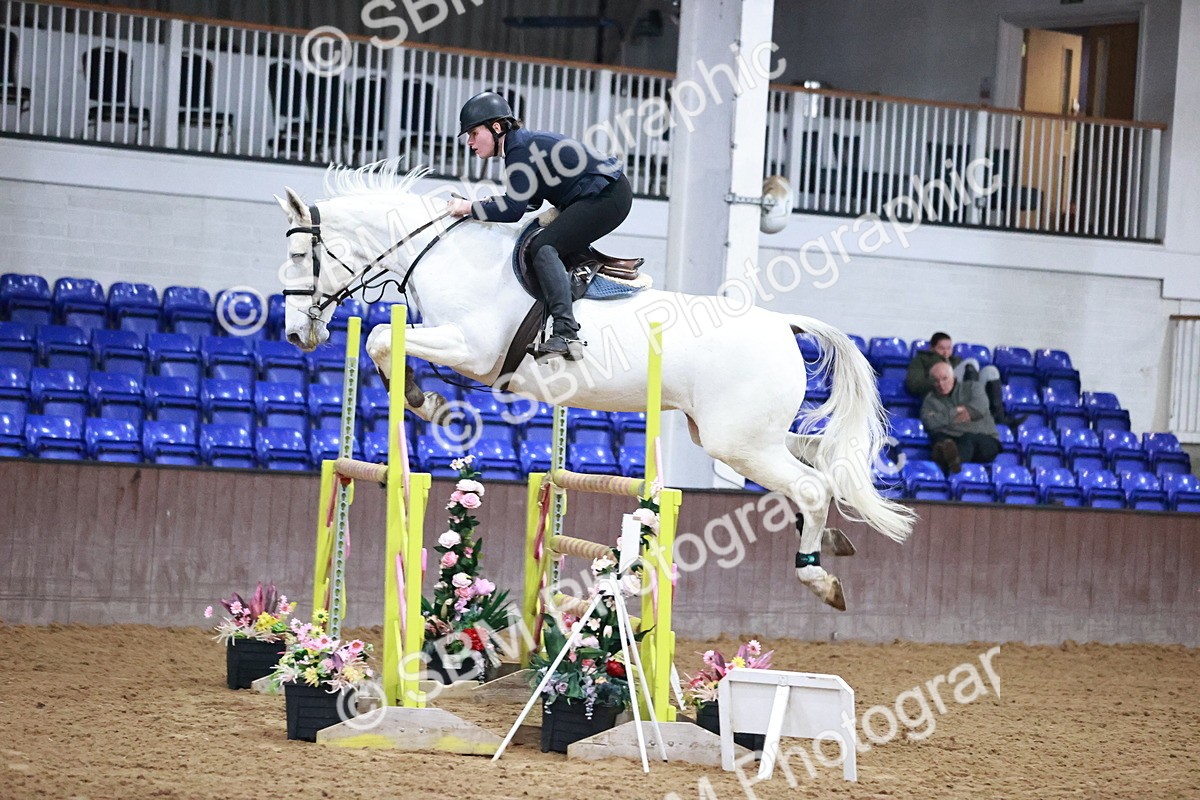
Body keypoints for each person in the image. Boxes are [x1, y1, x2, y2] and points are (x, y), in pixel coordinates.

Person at [447, 91, 633, 362]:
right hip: (603, 193)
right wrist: (485, 204)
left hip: (607, 196)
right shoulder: (518, 146)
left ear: (496, 128)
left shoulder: (518, 151)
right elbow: (529, 202)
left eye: (474, 133)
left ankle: (567, 333)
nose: (469, 142)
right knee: (545, 243)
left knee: (544, 246)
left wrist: (469, 208)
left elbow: (513, 210)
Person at [906, 331, 1016, 426]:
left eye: (949, 348)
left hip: (959, 389)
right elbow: (913, 384)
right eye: (941, 348)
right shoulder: (921, 360)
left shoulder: (956, 361)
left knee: (991, 371)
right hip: (940, 395)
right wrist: (939, 380)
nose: (946, 352)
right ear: (932, 348)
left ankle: (999, 417)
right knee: (971, 362)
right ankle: (969, 406)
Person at [919, 361, 1001, 475]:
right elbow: (929, 422)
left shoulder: (973, 387)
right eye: (936, 381)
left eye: (945, 379)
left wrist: (944, 418)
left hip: (984, 440)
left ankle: (951, 463)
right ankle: (950, 461)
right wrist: (956, 411)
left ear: (953, 376)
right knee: (939, 439)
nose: (941, 385)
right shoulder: (929, 400)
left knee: (967, 438)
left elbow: (979, 408)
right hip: (951, 439)